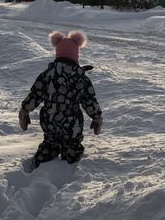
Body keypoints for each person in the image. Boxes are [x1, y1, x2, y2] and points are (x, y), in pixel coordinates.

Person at [19, 30, 103, 169]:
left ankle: (41, 162)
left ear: (58, 54)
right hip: (71, 124)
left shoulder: (47, 75)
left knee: (50, 143)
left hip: (49, 121)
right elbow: (89, 100)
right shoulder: (80, 78)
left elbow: (35, 94)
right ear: (76, 56)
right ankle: (70, 167)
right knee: (72, 146)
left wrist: (25, 110)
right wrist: (96, 117)